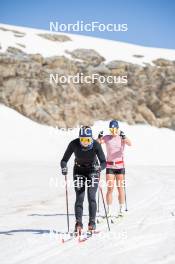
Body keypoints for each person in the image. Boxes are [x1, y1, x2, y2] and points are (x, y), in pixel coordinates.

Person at [61, 126, 106, 233]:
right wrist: (64, 167)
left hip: (92, 171)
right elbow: (64, 160)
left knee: (91, 196)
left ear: (91, 138)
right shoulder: (74, 144)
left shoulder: (96, 144)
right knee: (80, 197)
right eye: (82, 139)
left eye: (87, 139)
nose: (85, 142)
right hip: (78, 171)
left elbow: (104, 162)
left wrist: (99, 168)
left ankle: (92, 223)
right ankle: (78, 223)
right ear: (79, 138)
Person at [98, 120, 131, 219]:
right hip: (110, 167)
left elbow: (130, 143)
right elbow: (97, 143)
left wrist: (124, 137)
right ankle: (108, 211)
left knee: (120, 188)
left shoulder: (121, 137)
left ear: (117, 129)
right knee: (110, 189)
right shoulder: (107, 138)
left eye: (114, 129)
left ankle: (121, 210)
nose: (113, 131)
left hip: (120, 167)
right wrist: (99, 137)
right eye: (111, 129)